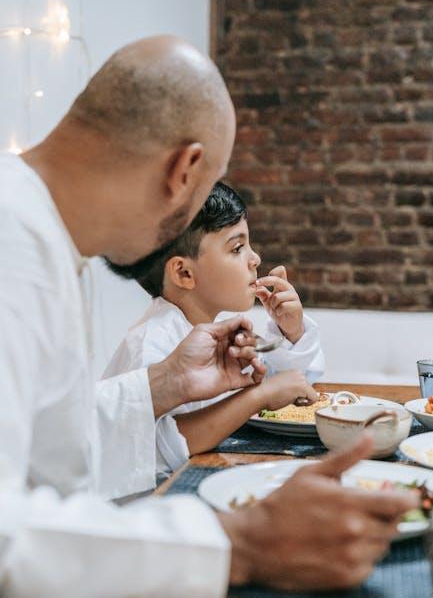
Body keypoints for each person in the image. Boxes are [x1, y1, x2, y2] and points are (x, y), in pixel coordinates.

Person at [0, 35, 417, 597]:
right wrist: (241, 541)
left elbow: (41, 451)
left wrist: (161, 385)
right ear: (184, 169)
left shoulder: (37, 237)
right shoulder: (11, 249)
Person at [103, 181, 323, 476]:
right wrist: (256, 397)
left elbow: (293, 389)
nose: (255, 258)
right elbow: (157, 445)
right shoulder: (152, 342)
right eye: (237, 247)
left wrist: (290, 331)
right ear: (184, 273)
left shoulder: (211, 331)